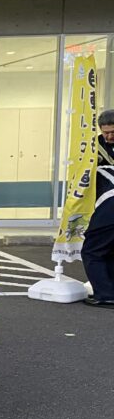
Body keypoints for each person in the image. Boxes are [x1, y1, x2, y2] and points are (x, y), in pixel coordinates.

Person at [82, 109, 114, 307]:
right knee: (108, 250)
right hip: (104, 206)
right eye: (106, 132)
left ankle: (104, 294)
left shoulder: (96, 147)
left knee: (92, 250)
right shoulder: (94, 146)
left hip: (108, 207)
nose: (109, 136)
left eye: (113, 132)